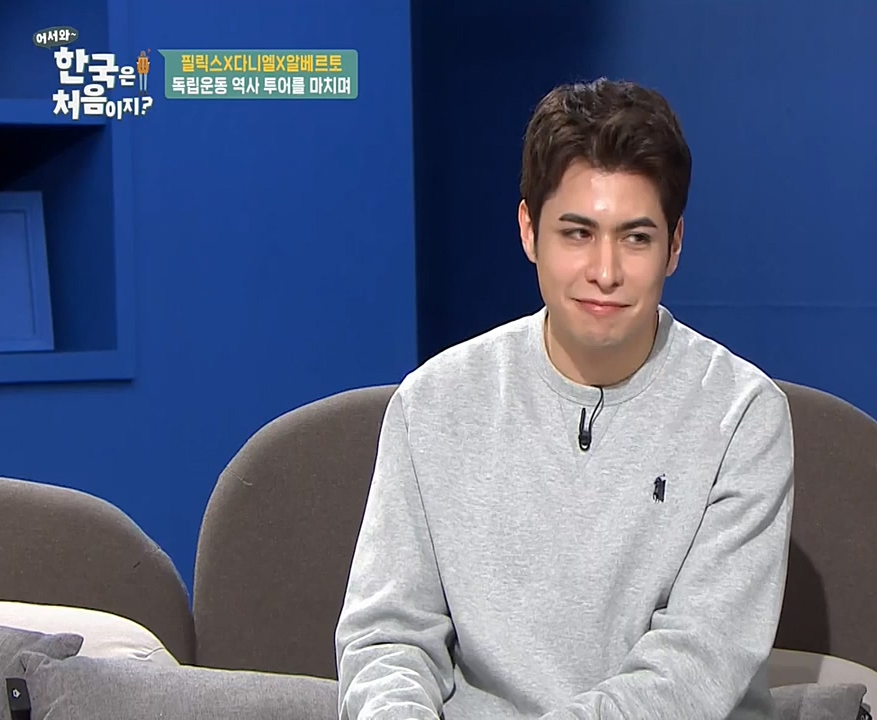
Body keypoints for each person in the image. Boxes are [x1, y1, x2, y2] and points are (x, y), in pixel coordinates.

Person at [335, 77, 795, 720]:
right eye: (578, 233)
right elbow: (388, 639)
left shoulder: (742, 417)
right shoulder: (432, 406)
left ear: (675, 245)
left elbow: (697, 663)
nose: (605, 272)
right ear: (529, 231)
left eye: (636, 238)